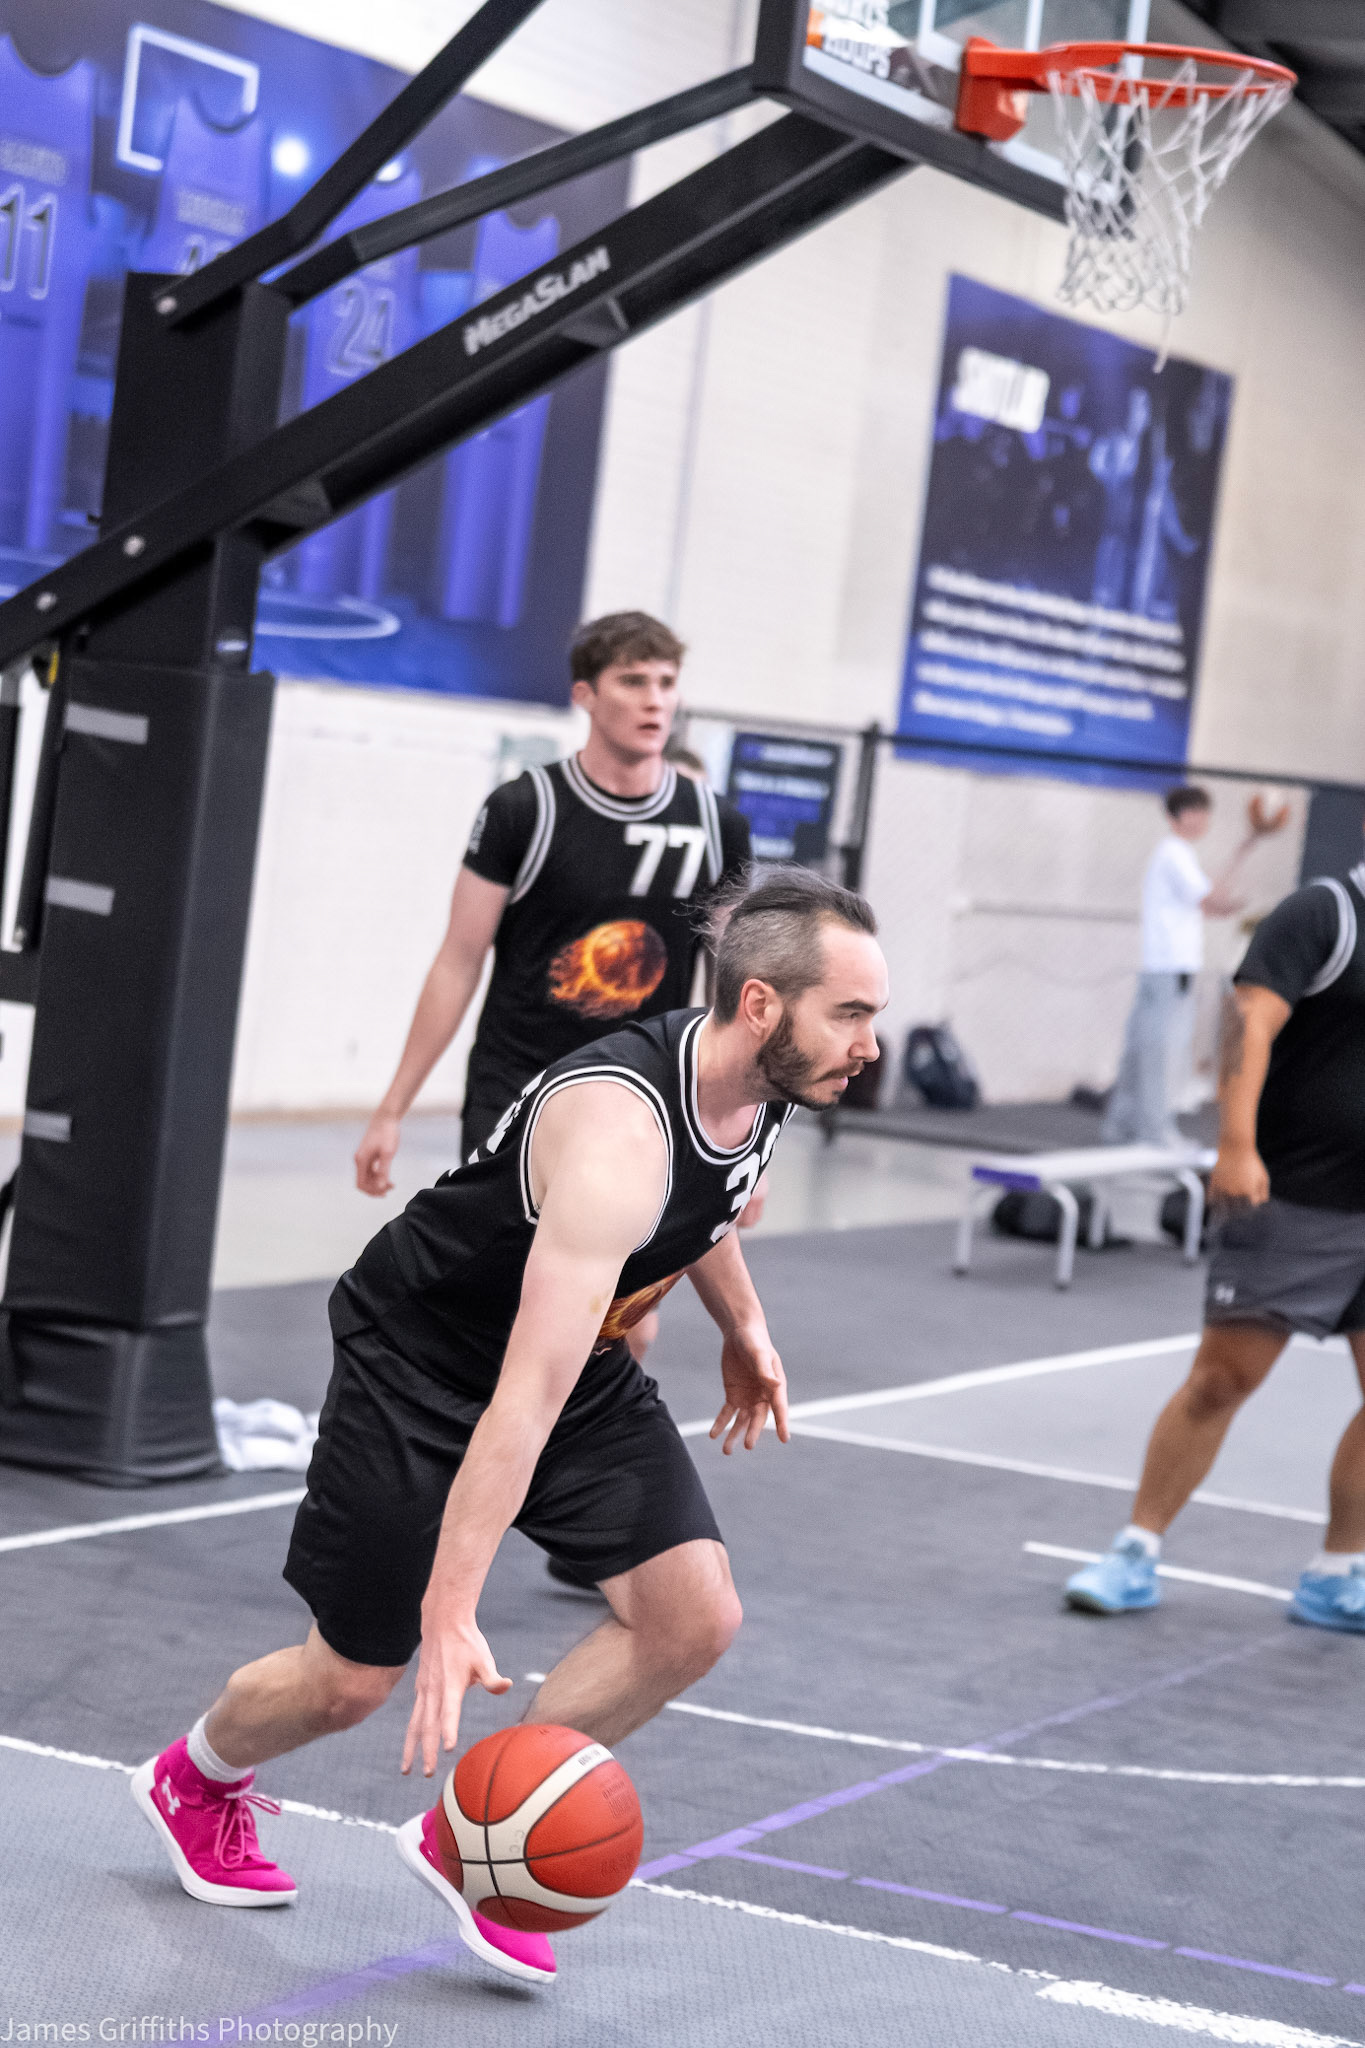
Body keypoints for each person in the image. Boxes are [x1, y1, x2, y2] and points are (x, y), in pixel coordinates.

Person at [133, 871, 887, 1986]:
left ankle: (475, 1839)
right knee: (351, 1682)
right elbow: (517, 1401)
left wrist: (746, 1325)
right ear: (762, 1005)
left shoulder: (765, 1080)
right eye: (851, 1014)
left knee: (690, 1617)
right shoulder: (618, 1134)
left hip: (569, 1354)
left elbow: (708, 1201)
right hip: (422, 1359)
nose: (870, 1044)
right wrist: (450, 1606)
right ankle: (193, 1779)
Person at [1066, 847, 1365, 1630]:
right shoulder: (1324, 915)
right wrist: (1234, 1144)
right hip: (1294, 1197)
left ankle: (1338, 1571)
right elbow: (1245, 1022)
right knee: (1220, 1381)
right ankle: (1134, 1550)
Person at [354, 611, 751, 1183]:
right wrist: (392, 1110)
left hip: (644, 1093)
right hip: (518, 1088)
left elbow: (732, 987)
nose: (654, 701)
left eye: (666, 683)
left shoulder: (718, 826)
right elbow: (458, 961)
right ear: (584, 694)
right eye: (632, 681)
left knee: (612, 1244)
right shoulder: (524, 809)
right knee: (508, 1243)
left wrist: (740, 1138)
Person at [1101, 785, 1256, 1148]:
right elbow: (1214, 899)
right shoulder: (1174, 853)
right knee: (1159, 1051)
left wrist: (1242, 851)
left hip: (1165, 968)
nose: (1203, 820)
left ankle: (1120, 1125)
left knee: (1141, 1048)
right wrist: (1243, 851)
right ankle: (1156, 1130)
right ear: (1179, 816)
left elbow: (1208, 903)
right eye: (1196, 812)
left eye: (1205, 812)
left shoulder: (1178, 854)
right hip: (1168, 969)